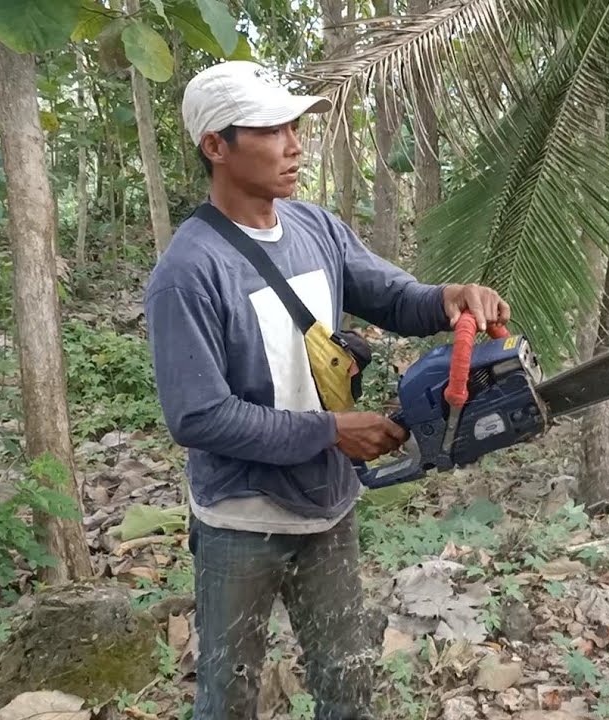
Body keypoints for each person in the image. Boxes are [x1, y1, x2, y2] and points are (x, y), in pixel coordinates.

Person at [143, 60, 510, 719]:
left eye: (294, 126)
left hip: (328, 507)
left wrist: (450, 297)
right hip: (241, 520)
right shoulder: (189, 270)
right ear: (215, 146)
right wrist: (331, 431)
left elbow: (394, 298)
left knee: (348, 685)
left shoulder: (316, 228)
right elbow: (198, 416)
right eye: (271, 130)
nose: (294, 144)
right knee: (227, 697)